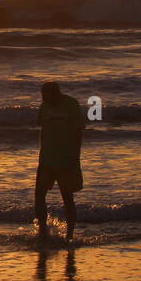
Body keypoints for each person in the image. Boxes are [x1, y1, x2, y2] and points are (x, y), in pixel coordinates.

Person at [35, 81, 85, 244]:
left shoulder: (71, 104)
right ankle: (43, 232)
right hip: (47, 159)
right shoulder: (44, 106)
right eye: (43, 96)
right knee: (39, 195)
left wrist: (75, 158)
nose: (44, 99)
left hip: (66, 159)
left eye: (46, 95)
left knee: (67, 197)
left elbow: (78, 133)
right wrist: (41, 156)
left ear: (56, 93)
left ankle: (69, 235)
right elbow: (43, 131)